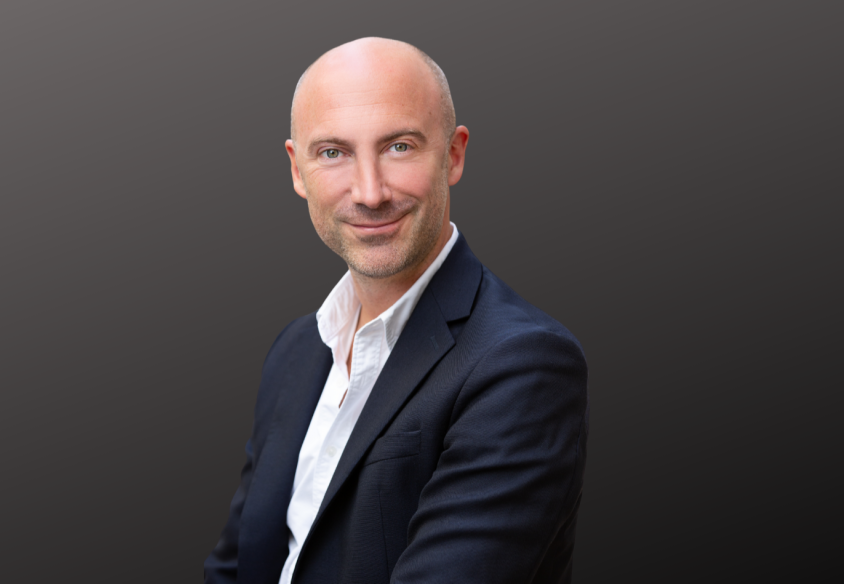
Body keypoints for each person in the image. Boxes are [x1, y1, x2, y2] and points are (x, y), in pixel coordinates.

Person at [204, 37, 589, 584]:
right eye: (333, 153)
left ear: (453, 155)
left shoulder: (522, 364)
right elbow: (235, 567)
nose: (369, 192)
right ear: (297, 170)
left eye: (399, 147)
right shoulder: (296, 349)